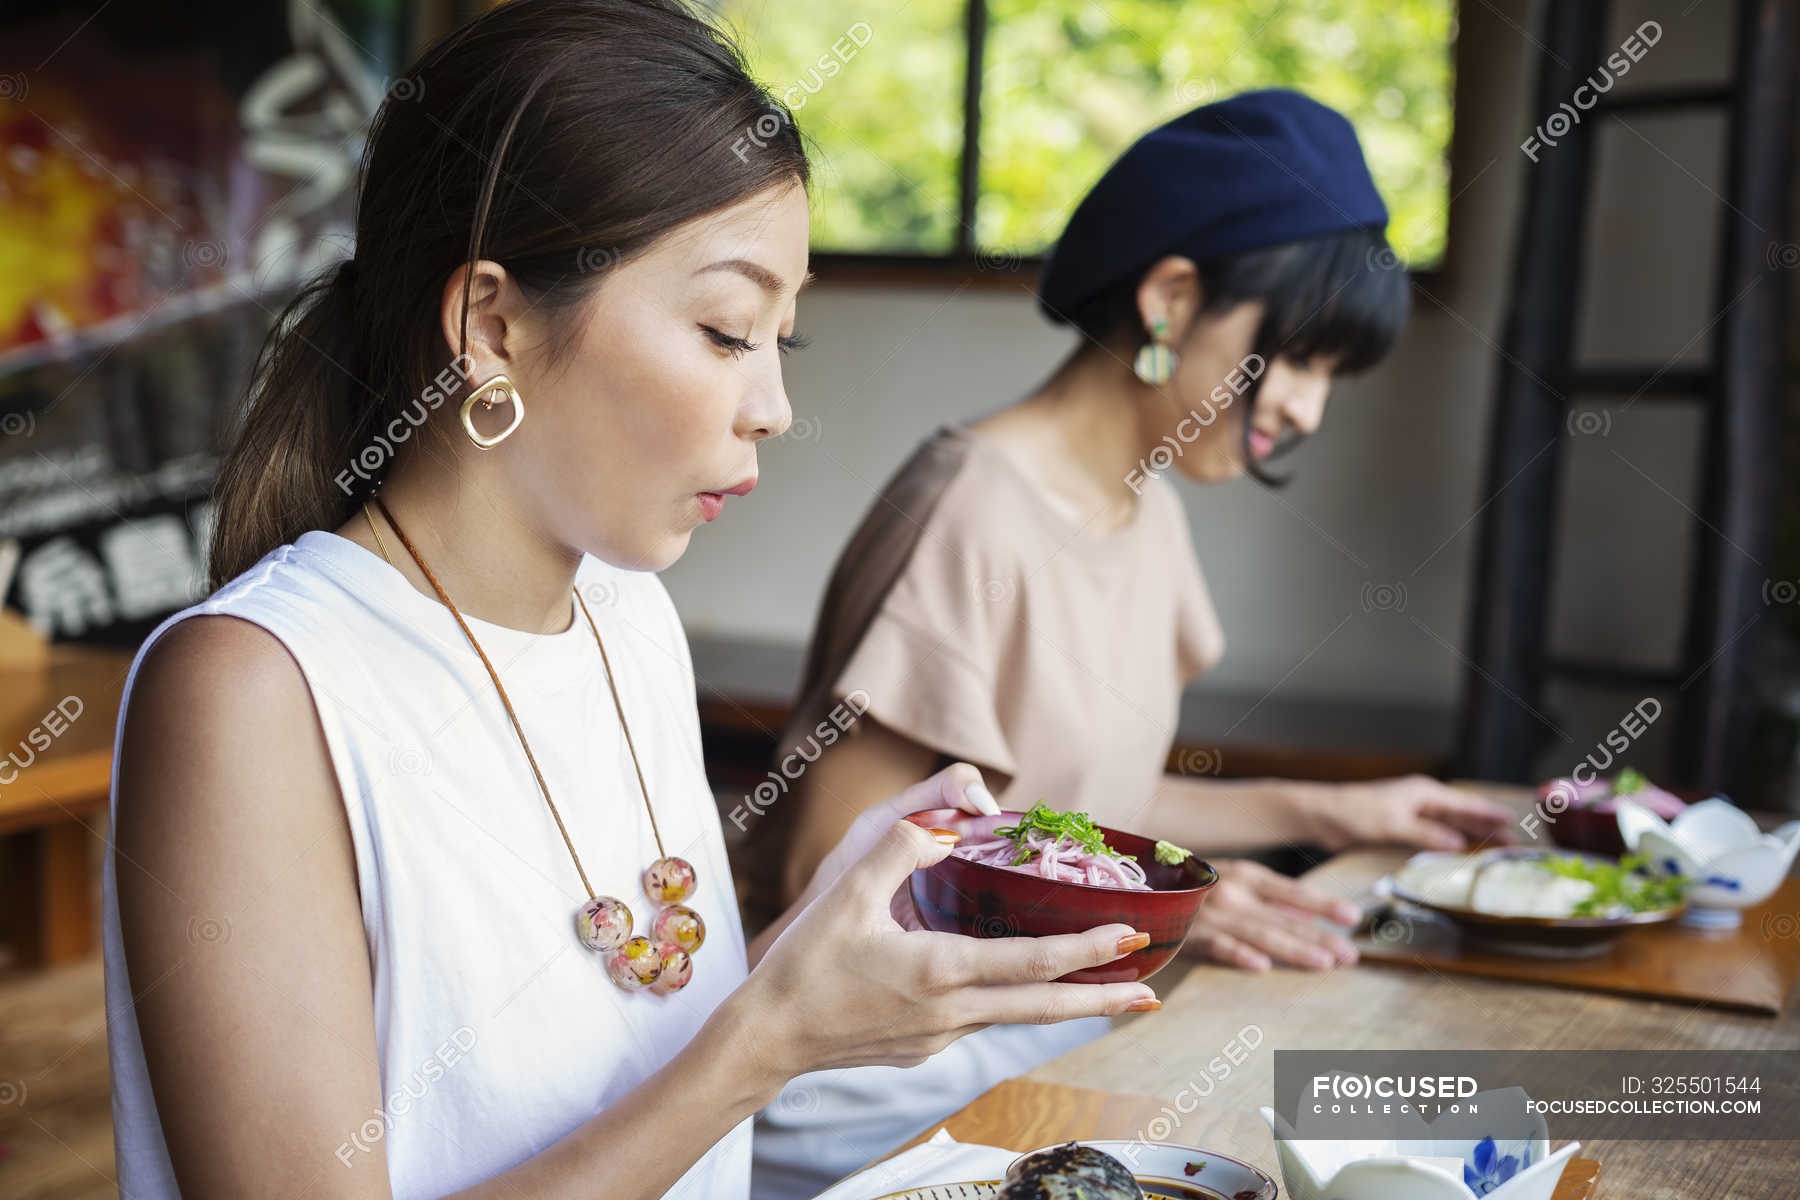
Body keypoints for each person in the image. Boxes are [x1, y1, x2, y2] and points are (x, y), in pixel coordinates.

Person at [99, 4, 1165, 1198]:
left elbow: (616, 1052)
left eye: (783, 339)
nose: (770, 404)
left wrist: (827, 961)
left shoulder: (626, 616)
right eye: (724, 329)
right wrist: (771, 1045)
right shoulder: (255, 689)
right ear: (492, 326)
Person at [745, 89, 1517, 1195]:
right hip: (879, 1083)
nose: (1307, 409)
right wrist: (1138, 920)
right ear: (1170, 299)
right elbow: (832, 876)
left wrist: (1330, 812)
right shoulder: (970, 507)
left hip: (1042, 1032)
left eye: (1331, 377)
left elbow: (1085, 800)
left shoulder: (1145, 503)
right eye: (1296, 358)